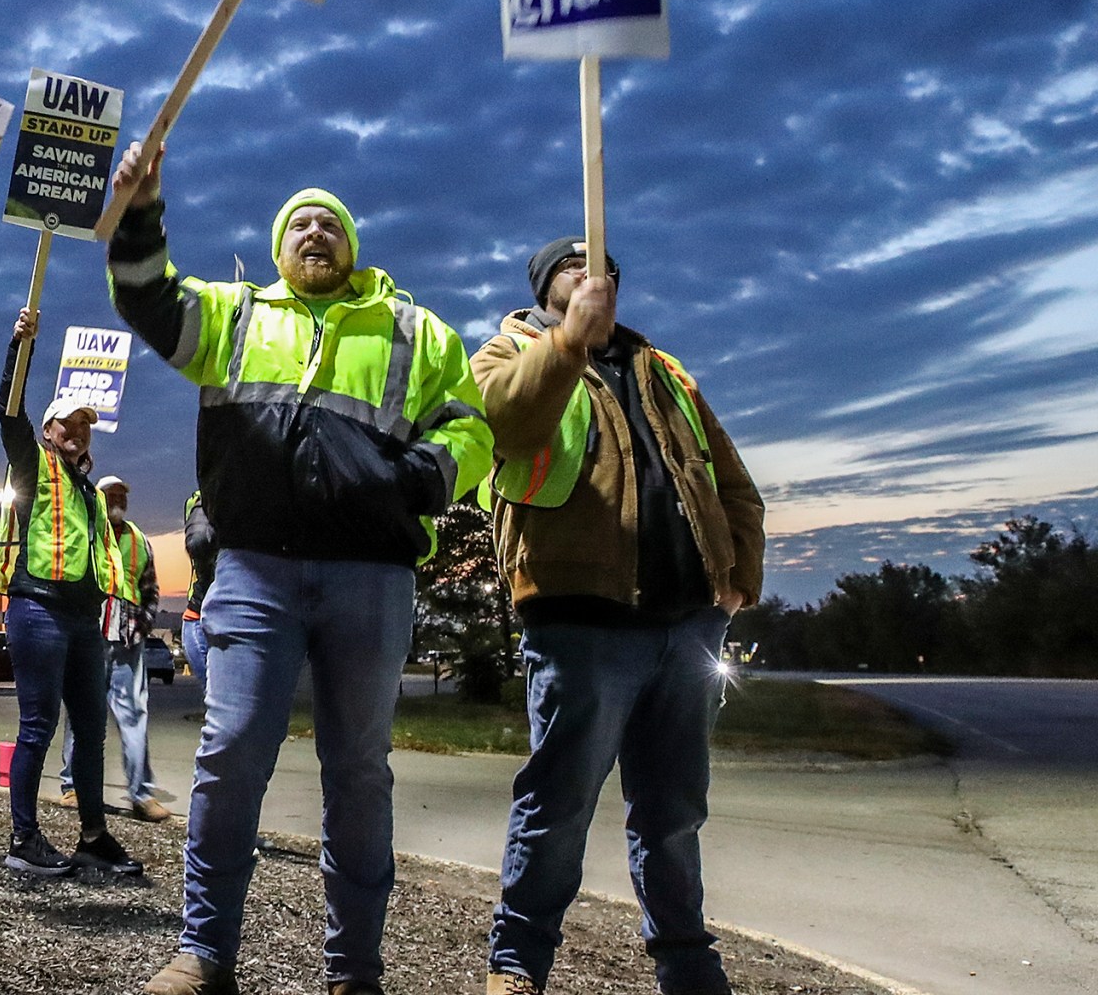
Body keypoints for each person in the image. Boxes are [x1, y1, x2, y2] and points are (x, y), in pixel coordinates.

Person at [107, 148, 492, 995]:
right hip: (254, 572)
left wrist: (419, 478)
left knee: (358, 768)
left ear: (351, 246)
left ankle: (353, 970)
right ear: (279, 249)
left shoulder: (415, 330)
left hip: (372, 575)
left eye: (331, 224)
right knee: (233, 750)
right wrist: (141, 211)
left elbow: (471, 433)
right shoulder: (234, 316)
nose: (315, 232)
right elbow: (144, 294)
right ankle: (202, 954)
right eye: (299, 224)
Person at [475, 239, 765, 995]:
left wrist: (736, 581)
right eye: (576, 267)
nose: (594, 276)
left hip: (688, 622)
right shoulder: (506, 351)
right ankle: (517, 965)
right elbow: (506, 425)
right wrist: (570, 340)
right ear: (545, 287)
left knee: (673, 809)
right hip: (579, 617)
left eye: (604, 268)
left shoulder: (662, 371)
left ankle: (688, 965)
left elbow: (732, 482)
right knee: (560, 801)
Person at [0, 308, 141, 879]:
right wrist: (19, 349)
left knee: (90, 730)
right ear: (50, 431)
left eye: (86, 425)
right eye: (68, 424)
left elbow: (105, 558)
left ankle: (93, 836)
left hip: (82, 620)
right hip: (37, 610)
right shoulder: (33, 465)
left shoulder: (89, 491)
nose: (78, 431)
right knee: (38, 726)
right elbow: (10, 416)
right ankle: (23, 837)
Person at [59, 475, 171, 822]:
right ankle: (72, 787)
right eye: (111, 494)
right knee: (80, 715)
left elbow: (150, 589)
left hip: (127, 643)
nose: (117, 499)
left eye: (122, 493)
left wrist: (142, 626)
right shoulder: (87, 533)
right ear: (99, 499)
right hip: (91, 638)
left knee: (135, 716)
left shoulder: (140, 541)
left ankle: (141, 794)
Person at [179, 490, 215, 697]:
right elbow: (198, 542)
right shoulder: (201, 500)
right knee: (217, 699)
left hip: (211, 615)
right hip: (199, 614)